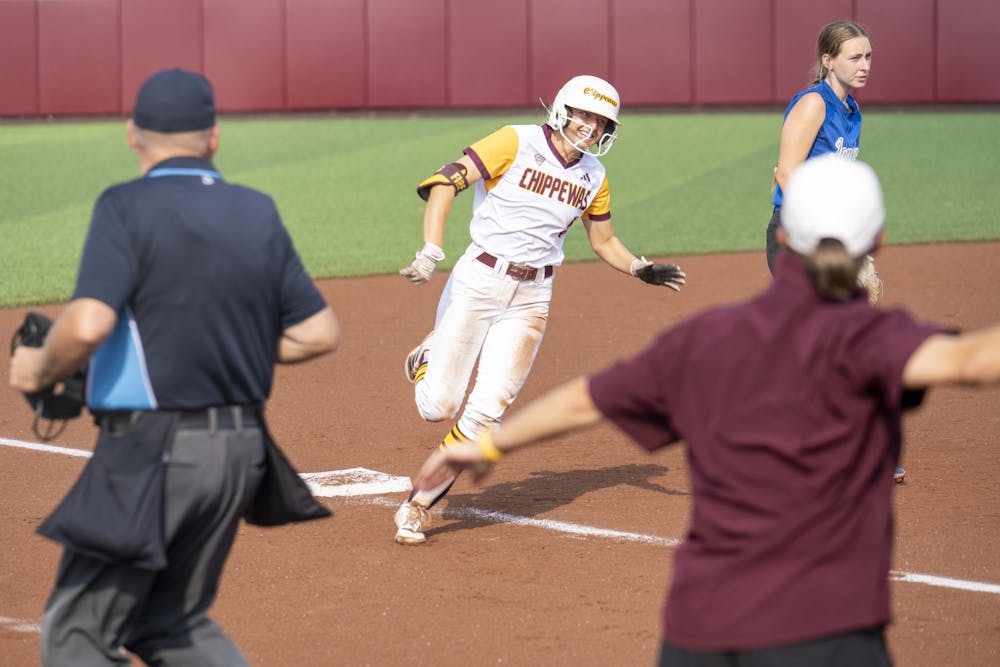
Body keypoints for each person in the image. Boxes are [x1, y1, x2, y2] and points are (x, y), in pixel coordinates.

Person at [412, 156, 1000, 665]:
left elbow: (584, 400)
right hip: (829, 629)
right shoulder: (872, 341)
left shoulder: (708, 337)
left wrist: (488, 444)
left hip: (702, 630)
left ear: (783, 236)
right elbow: (974, 361)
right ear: (878, 243)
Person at [9, 68, 340, 666]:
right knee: (170, 622)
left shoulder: (126, 205)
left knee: (77, 634)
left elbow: (86, 325)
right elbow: (318, 332)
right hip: (242, 453)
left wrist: (35, 369)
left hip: (157, 450)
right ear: (213, 137)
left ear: (132, 134)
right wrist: (217, 345)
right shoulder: (257, 210)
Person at [393, 74, 687, 545]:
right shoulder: (516, 141)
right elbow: (445, 182)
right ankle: (426, 357)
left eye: (602, 122)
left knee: (486, 415)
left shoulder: (594, 175)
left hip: (533, 297)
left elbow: (603, 239)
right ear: (563, 109)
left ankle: (417, 507)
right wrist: (431, 249)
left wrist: (639, 267)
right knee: (438, 407)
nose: (591, 127)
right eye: (585, 115)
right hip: (480, 280)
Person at [766, 19, 903, 482]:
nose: (865, 65)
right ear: (828, 60)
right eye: (854, 57)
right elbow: (787, 173)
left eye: (868, 56)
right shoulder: (814, 104)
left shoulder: (851, 110)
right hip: (797, 238)